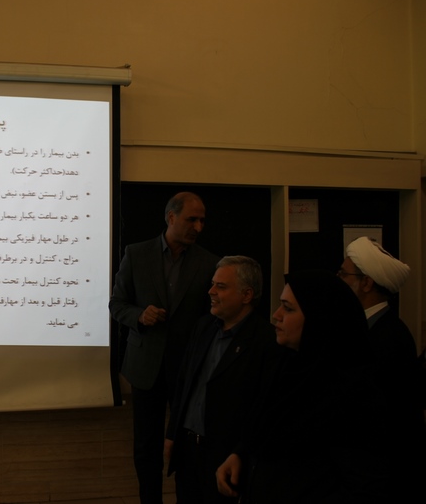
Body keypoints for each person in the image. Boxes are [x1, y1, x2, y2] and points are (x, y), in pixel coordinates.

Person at [216, 270, 389, 503]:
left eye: (288, 308)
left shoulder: (352, 394)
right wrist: (241, 454)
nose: (276, 315)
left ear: (319, 319)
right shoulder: (285, 367)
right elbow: (265, 428)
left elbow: (364, 487)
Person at [110, 192, 220, 503]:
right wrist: (139, 316)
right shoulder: (137, 254)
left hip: (188, 369)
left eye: (202, 221)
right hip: (145, 367)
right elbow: (117, 304)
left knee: (186, 443)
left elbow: (212, 318)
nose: (198, 227)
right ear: (171, 217)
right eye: (191, 219)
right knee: (146, 446)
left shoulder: (209, 263)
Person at [164, 256, 284, 504]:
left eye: (221, 286)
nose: (211, 291)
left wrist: (241, 452)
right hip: (187, 452)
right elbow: (184, 384)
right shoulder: (203, 327)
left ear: (246, 295)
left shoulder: (266, 342)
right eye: (212, 284)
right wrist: (172, 434)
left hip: (225, 458)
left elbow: (263, 408)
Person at [339, 236, 426, 502]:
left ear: (366, 283)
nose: (338, 280)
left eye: (343, 274)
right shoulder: (363, 328)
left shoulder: (390, 337)